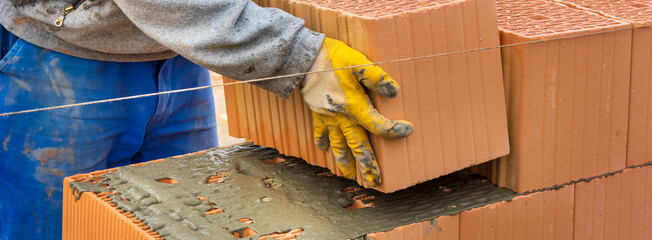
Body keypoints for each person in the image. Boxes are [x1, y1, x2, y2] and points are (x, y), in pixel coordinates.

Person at [0, 0, 413, 239]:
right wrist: (296, 55)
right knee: (53, 230)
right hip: (64, 60)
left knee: (184, 222)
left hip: (182, 50)